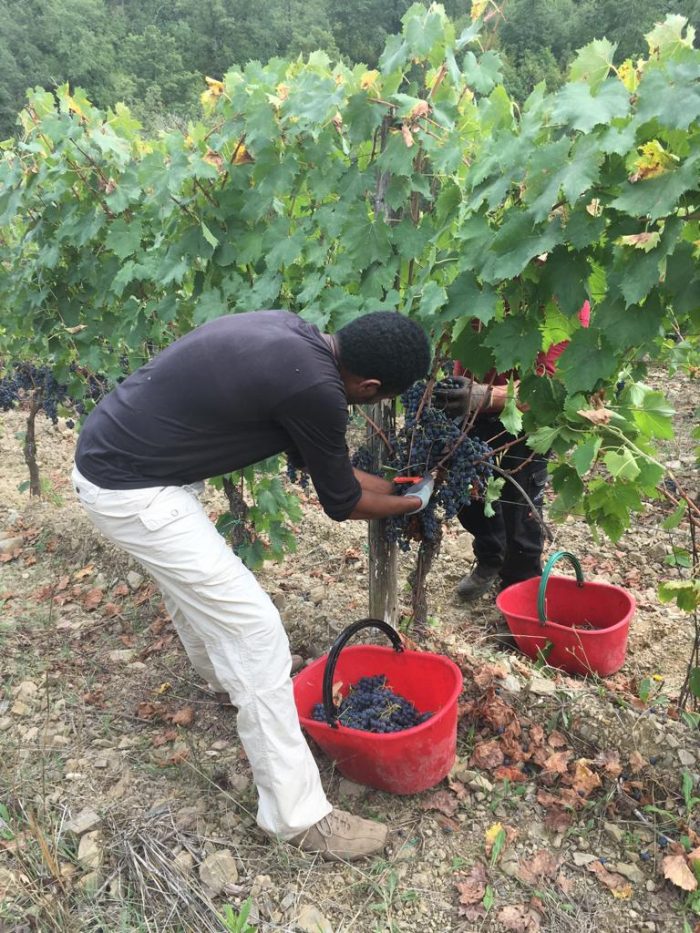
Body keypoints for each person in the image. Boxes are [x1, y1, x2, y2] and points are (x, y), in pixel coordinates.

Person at [71, 309, 433, 861]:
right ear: (370, 386)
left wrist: (393, 486)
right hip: (131, 489)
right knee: (256, 629)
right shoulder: (317, 390)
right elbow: (340, 502)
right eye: (376, 400)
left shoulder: (293, 338)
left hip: (119, 458)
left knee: (196, 588)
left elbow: (329, 467)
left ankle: (224, 682)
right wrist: (412, 503)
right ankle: (298, 817)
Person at [435, 301, 590, 600]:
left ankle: (522, 595)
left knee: (519, 507)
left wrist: (486, 395)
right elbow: (468, 346)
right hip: (477, 405)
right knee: (468, 490)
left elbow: (550, 386)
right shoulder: (493, 275)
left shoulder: (567, 302)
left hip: (529, 417)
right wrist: (459, 393)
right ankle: (492, 556)